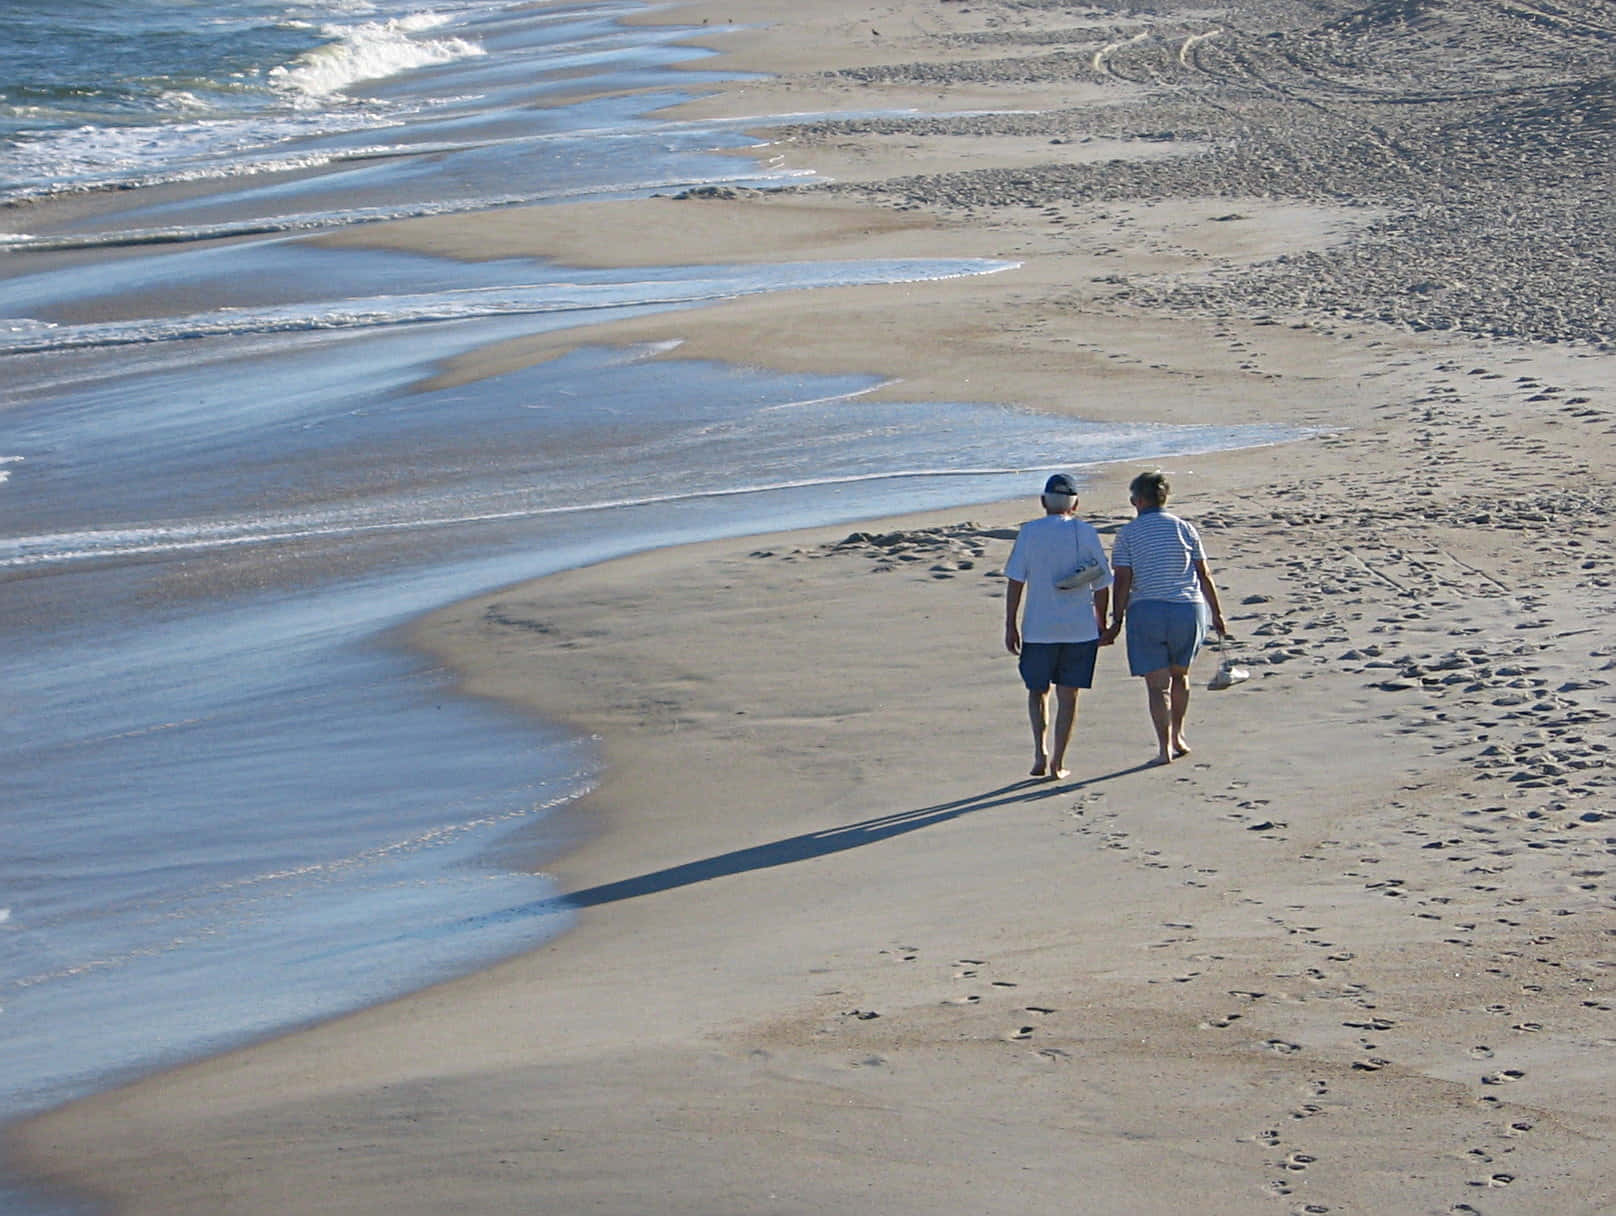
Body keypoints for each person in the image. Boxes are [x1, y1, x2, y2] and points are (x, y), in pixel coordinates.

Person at [1099, 470, 1227, 765]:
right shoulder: (1185, 528)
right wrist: (1217, 613)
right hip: (1187, 608)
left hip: (1147, 610)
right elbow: (1203, 574)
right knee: (1180, 676)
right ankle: (1178, 735)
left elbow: (1122, 580)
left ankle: (1163, 747)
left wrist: (1115, 620)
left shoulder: (1128, 534)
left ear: (1139, 501)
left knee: (1157, 685)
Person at [1004, 473, 1112, 781]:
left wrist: (1010, 624)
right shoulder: (1086, 532)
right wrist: (1101, 622)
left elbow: (1016, 580)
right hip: (1079, 629)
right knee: (1069, 695)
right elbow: (1102, 584)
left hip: (1038, 628)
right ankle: (1058, 762)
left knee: (1037, 690)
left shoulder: (1029, 533)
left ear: (1043, 502)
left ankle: (1040, 752)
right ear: (1075, 504)